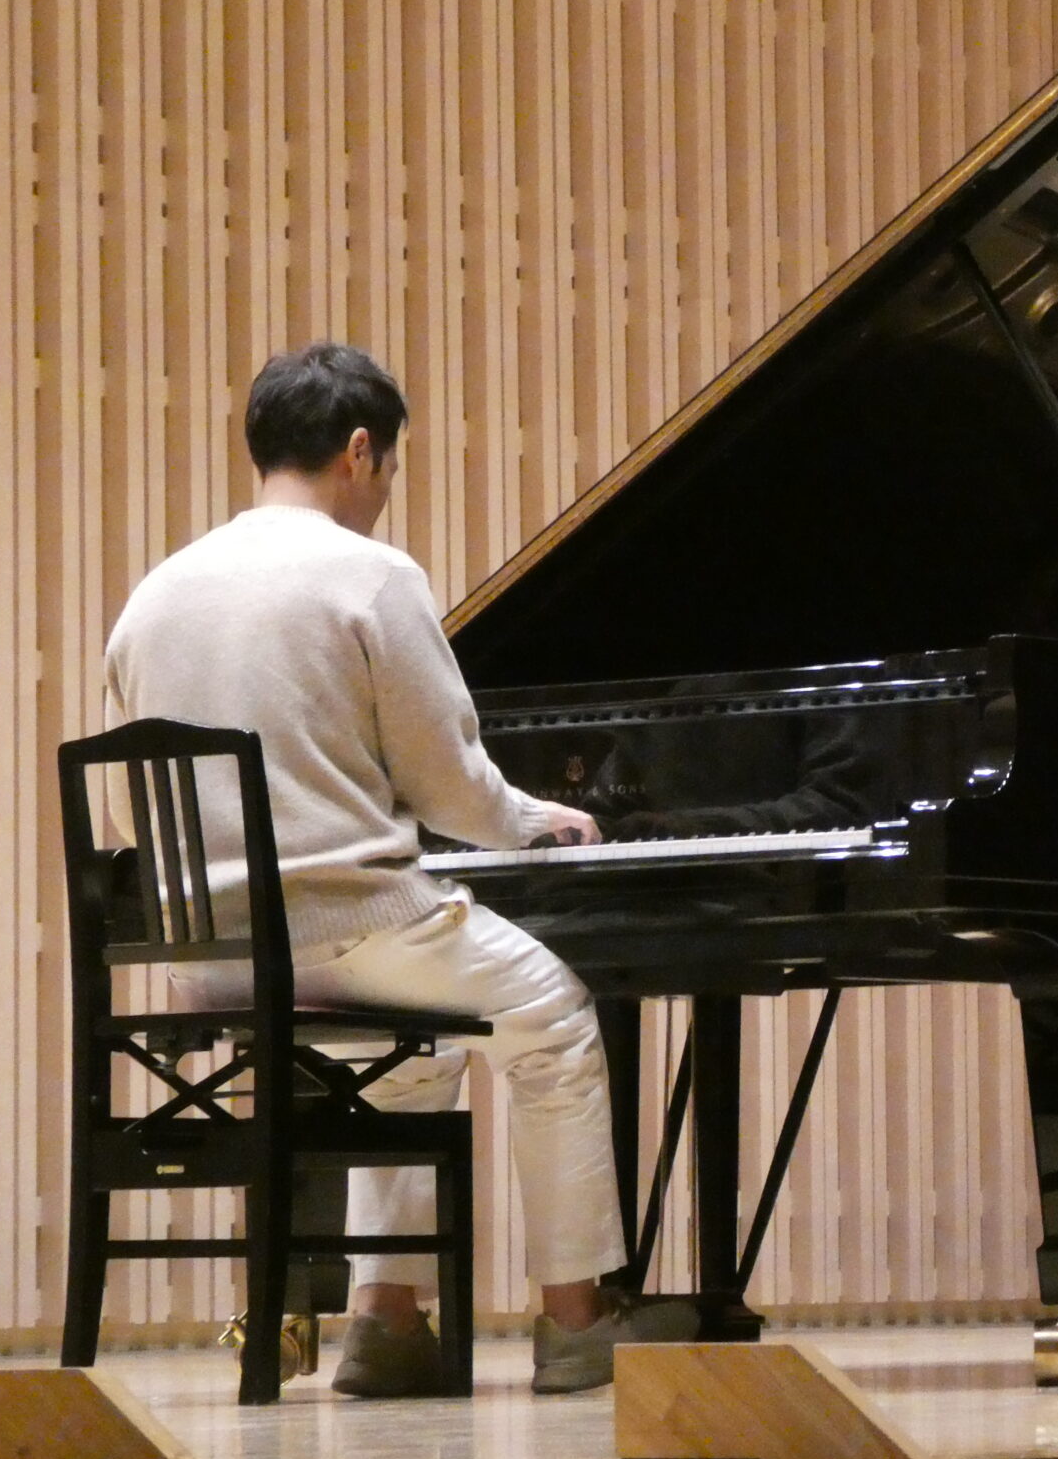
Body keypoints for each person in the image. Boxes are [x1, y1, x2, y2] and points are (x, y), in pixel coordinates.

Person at [102, 341, 694, 1396]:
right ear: (359, 450)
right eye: (389, 467)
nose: (383, 490)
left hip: (214, 958)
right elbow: (450, 786)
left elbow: (129, 807)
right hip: (350, 929)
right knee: (556, 1020)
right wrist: (535, 820)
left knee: (418, 1057)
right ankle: (576, 1321)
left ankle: (388, 1320)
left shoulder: (154, 595)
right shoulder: (372, 576)